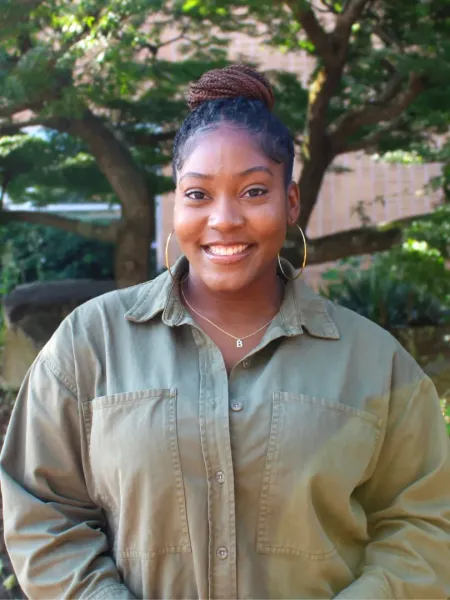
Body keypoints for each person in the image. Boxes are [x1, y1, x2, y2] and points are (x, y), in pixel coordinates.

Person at [1, 64, 450, 600]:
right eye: (198, 195)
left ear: (290, 202)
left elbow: (424, 525)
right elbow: (41, 510)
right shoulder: (90, 343)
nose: (224, 219)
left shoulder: (375, 361)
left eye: (254, 191)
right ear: (175, 203)